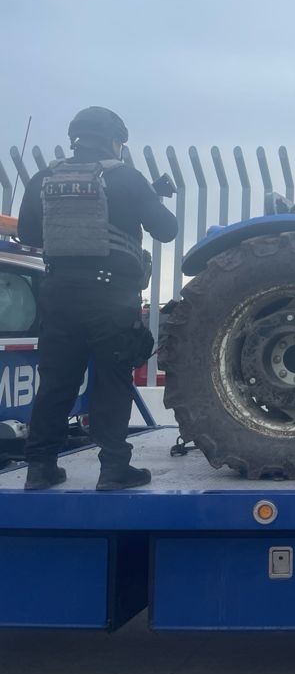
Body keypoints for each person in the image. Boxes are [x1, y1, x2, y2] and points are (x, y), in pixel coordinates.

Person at [17, 106, 177, 490]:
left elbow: (28, 234)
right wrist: (142, 201)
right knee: (112, 379)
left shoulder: (44, 178)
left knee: (56, 382)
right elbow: (167, 230)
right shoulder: (125, 178)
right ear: (115, 141)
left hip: (58, 294)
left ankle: (40, 467)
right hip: (111, 297)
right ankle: (114, 468)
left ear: (75, 138)